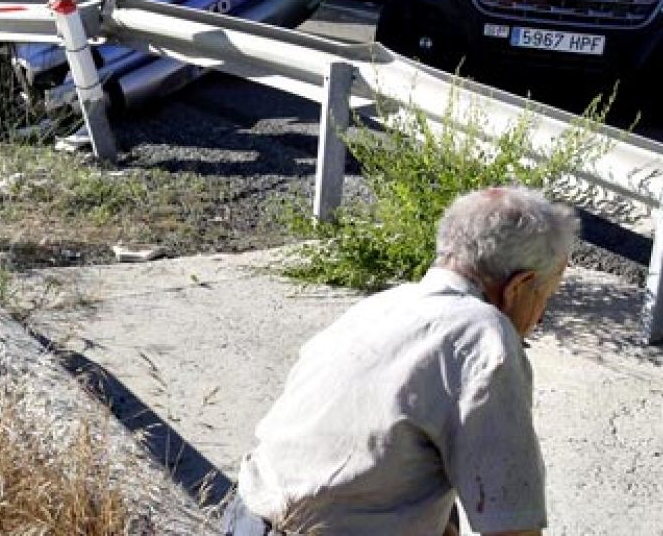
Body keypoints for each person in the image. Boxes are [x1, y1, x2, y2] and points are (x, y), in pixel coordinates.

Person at [222, 186, 577, 536]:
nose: (539, 317)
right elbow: (512, 527)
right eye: (545, 297)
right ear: (519, 286)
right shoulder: (485, 337)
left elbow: (395, 456)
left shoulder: (383, 305)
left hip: (246, 518)